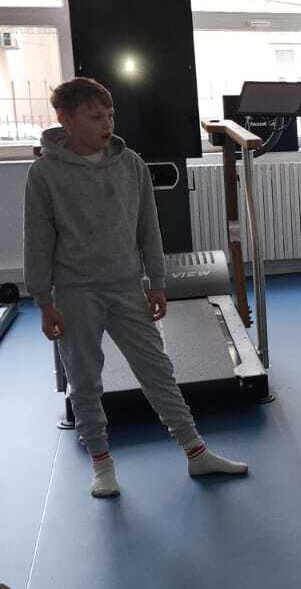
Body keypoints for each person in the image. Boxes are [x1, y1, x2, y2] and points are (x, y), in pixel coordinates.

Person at [22, 76, 249, 499]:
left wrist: (157, 281)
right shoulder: (45, 173)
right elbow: (37, 240)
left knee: (157, 370)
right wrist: (42, 301)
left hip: (127, 285)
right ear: (65, 120)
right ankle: (102, 465)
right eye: (95, 117)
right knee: (85, 381)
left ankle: (195, 451)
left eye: (110, 115)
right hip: (74, 292)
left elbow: (149, 227)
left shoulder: (131, 164)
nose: (107, 124)